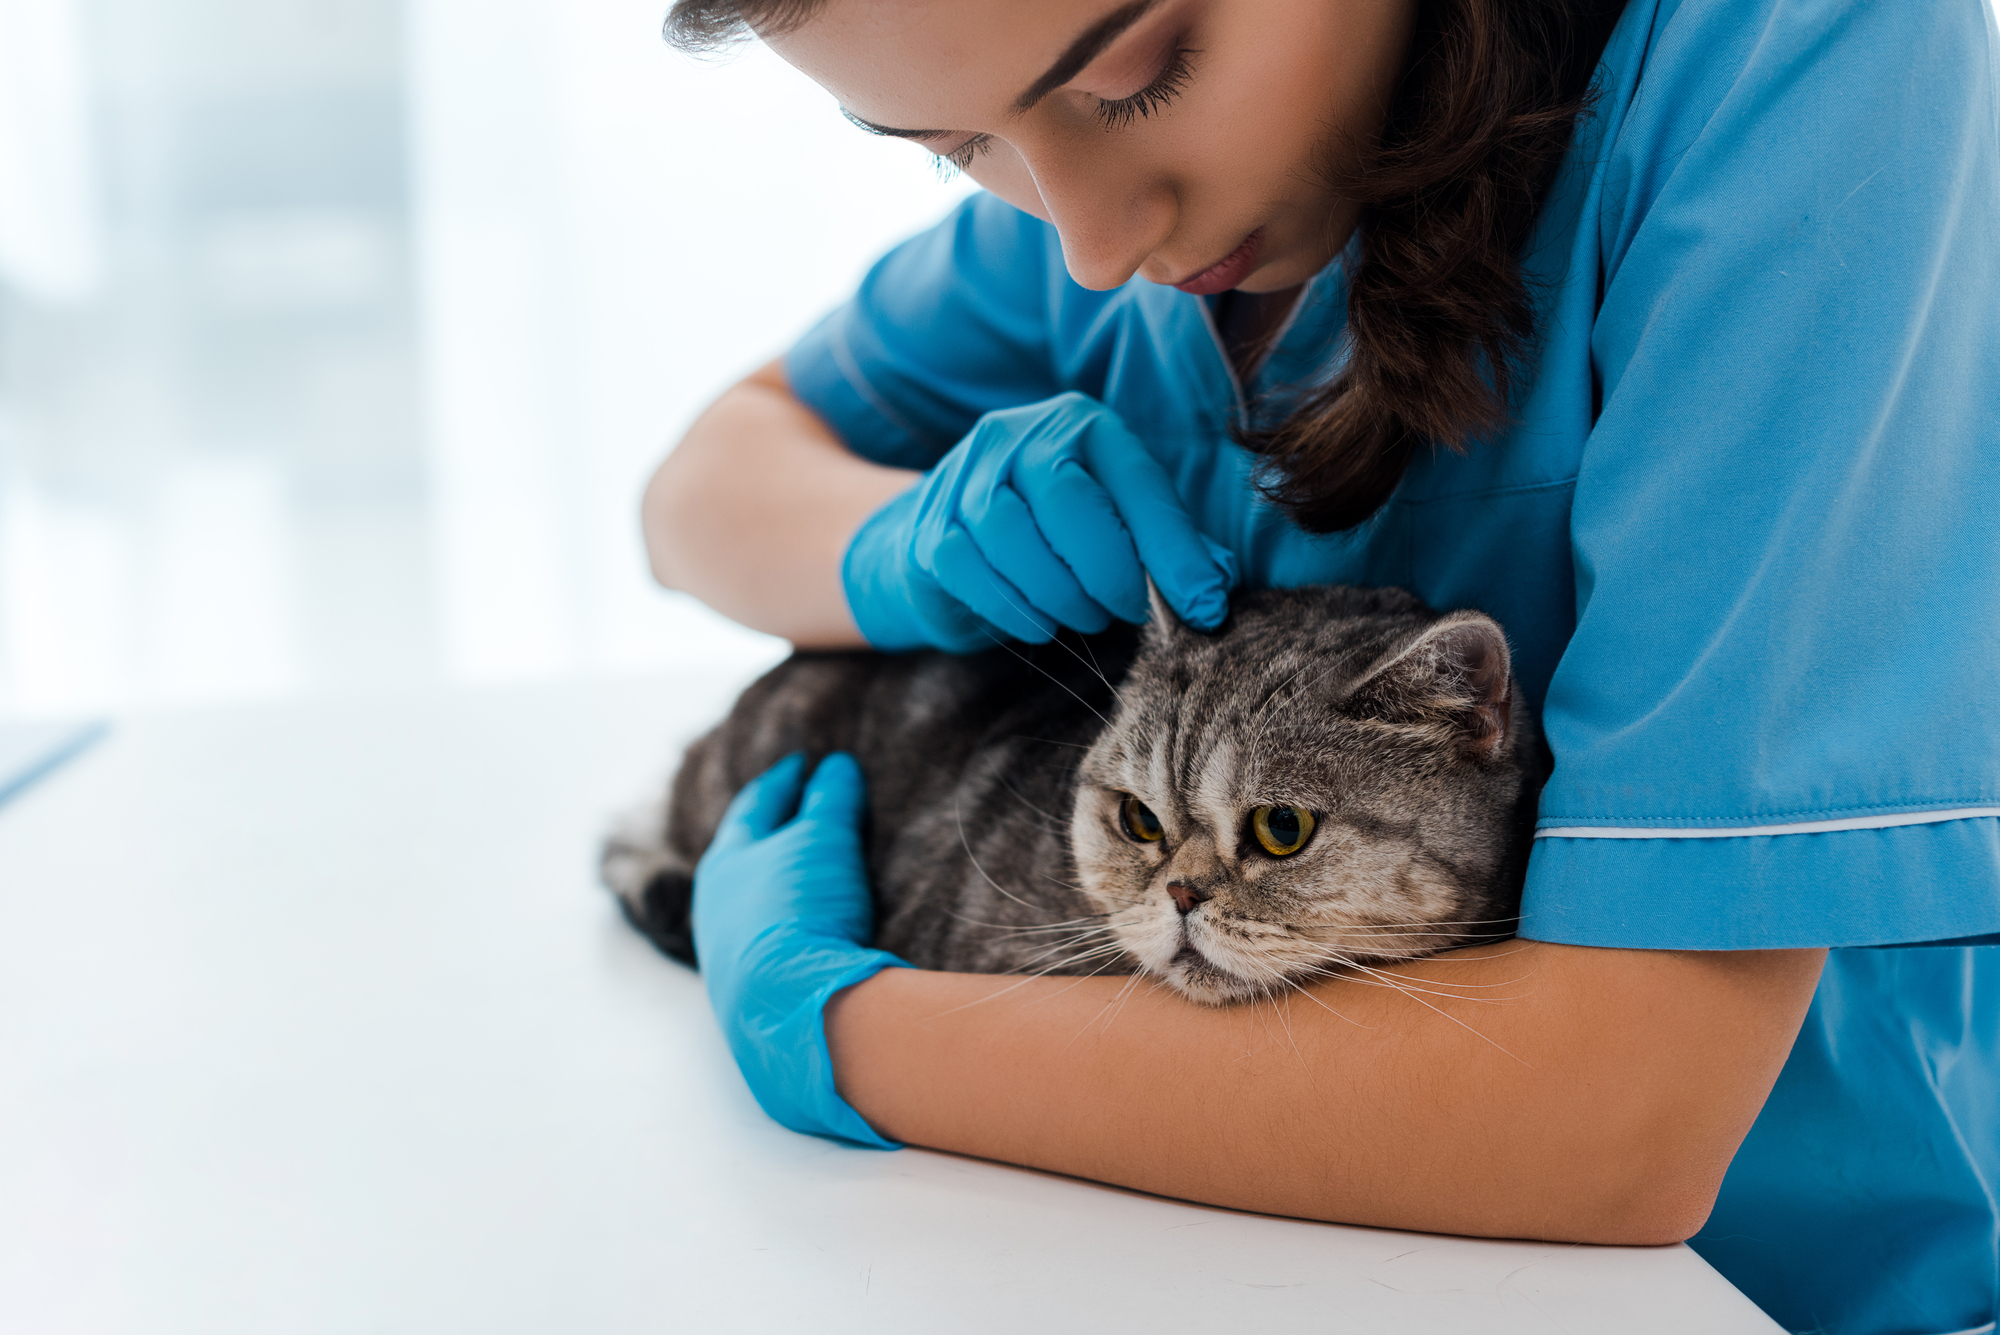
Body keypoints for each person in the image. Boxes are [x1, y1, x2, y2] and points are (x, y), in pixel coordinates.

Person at [641, 1, 2000, 1330]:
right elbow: (700, 490)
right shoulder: (1071, 189)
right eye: (952, 148)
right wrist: (886, 545)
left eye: (1138, 75)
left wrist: (847, 1035)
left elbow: (1614, 1118)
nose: (1094, 250)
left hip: (1744, 1289)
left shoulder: (1802, 50)